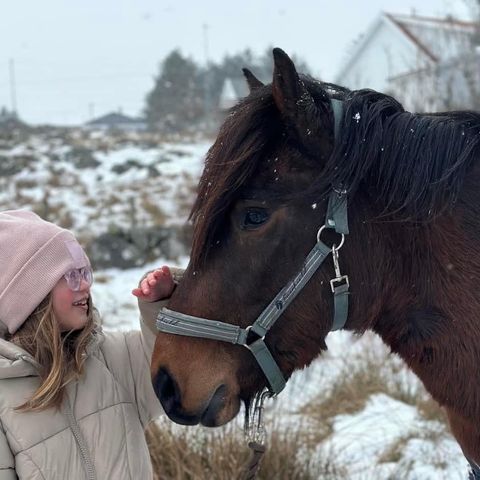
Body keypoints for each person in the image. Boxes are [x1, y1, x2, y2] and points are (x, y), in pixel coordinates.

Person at [0, 210, 180, 480]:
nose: (85, 285)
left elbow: (175, 380)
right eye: (70, 275)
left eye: (85, 272)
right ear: (28, 296)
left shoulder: (111, 357)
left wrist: (162, 308)